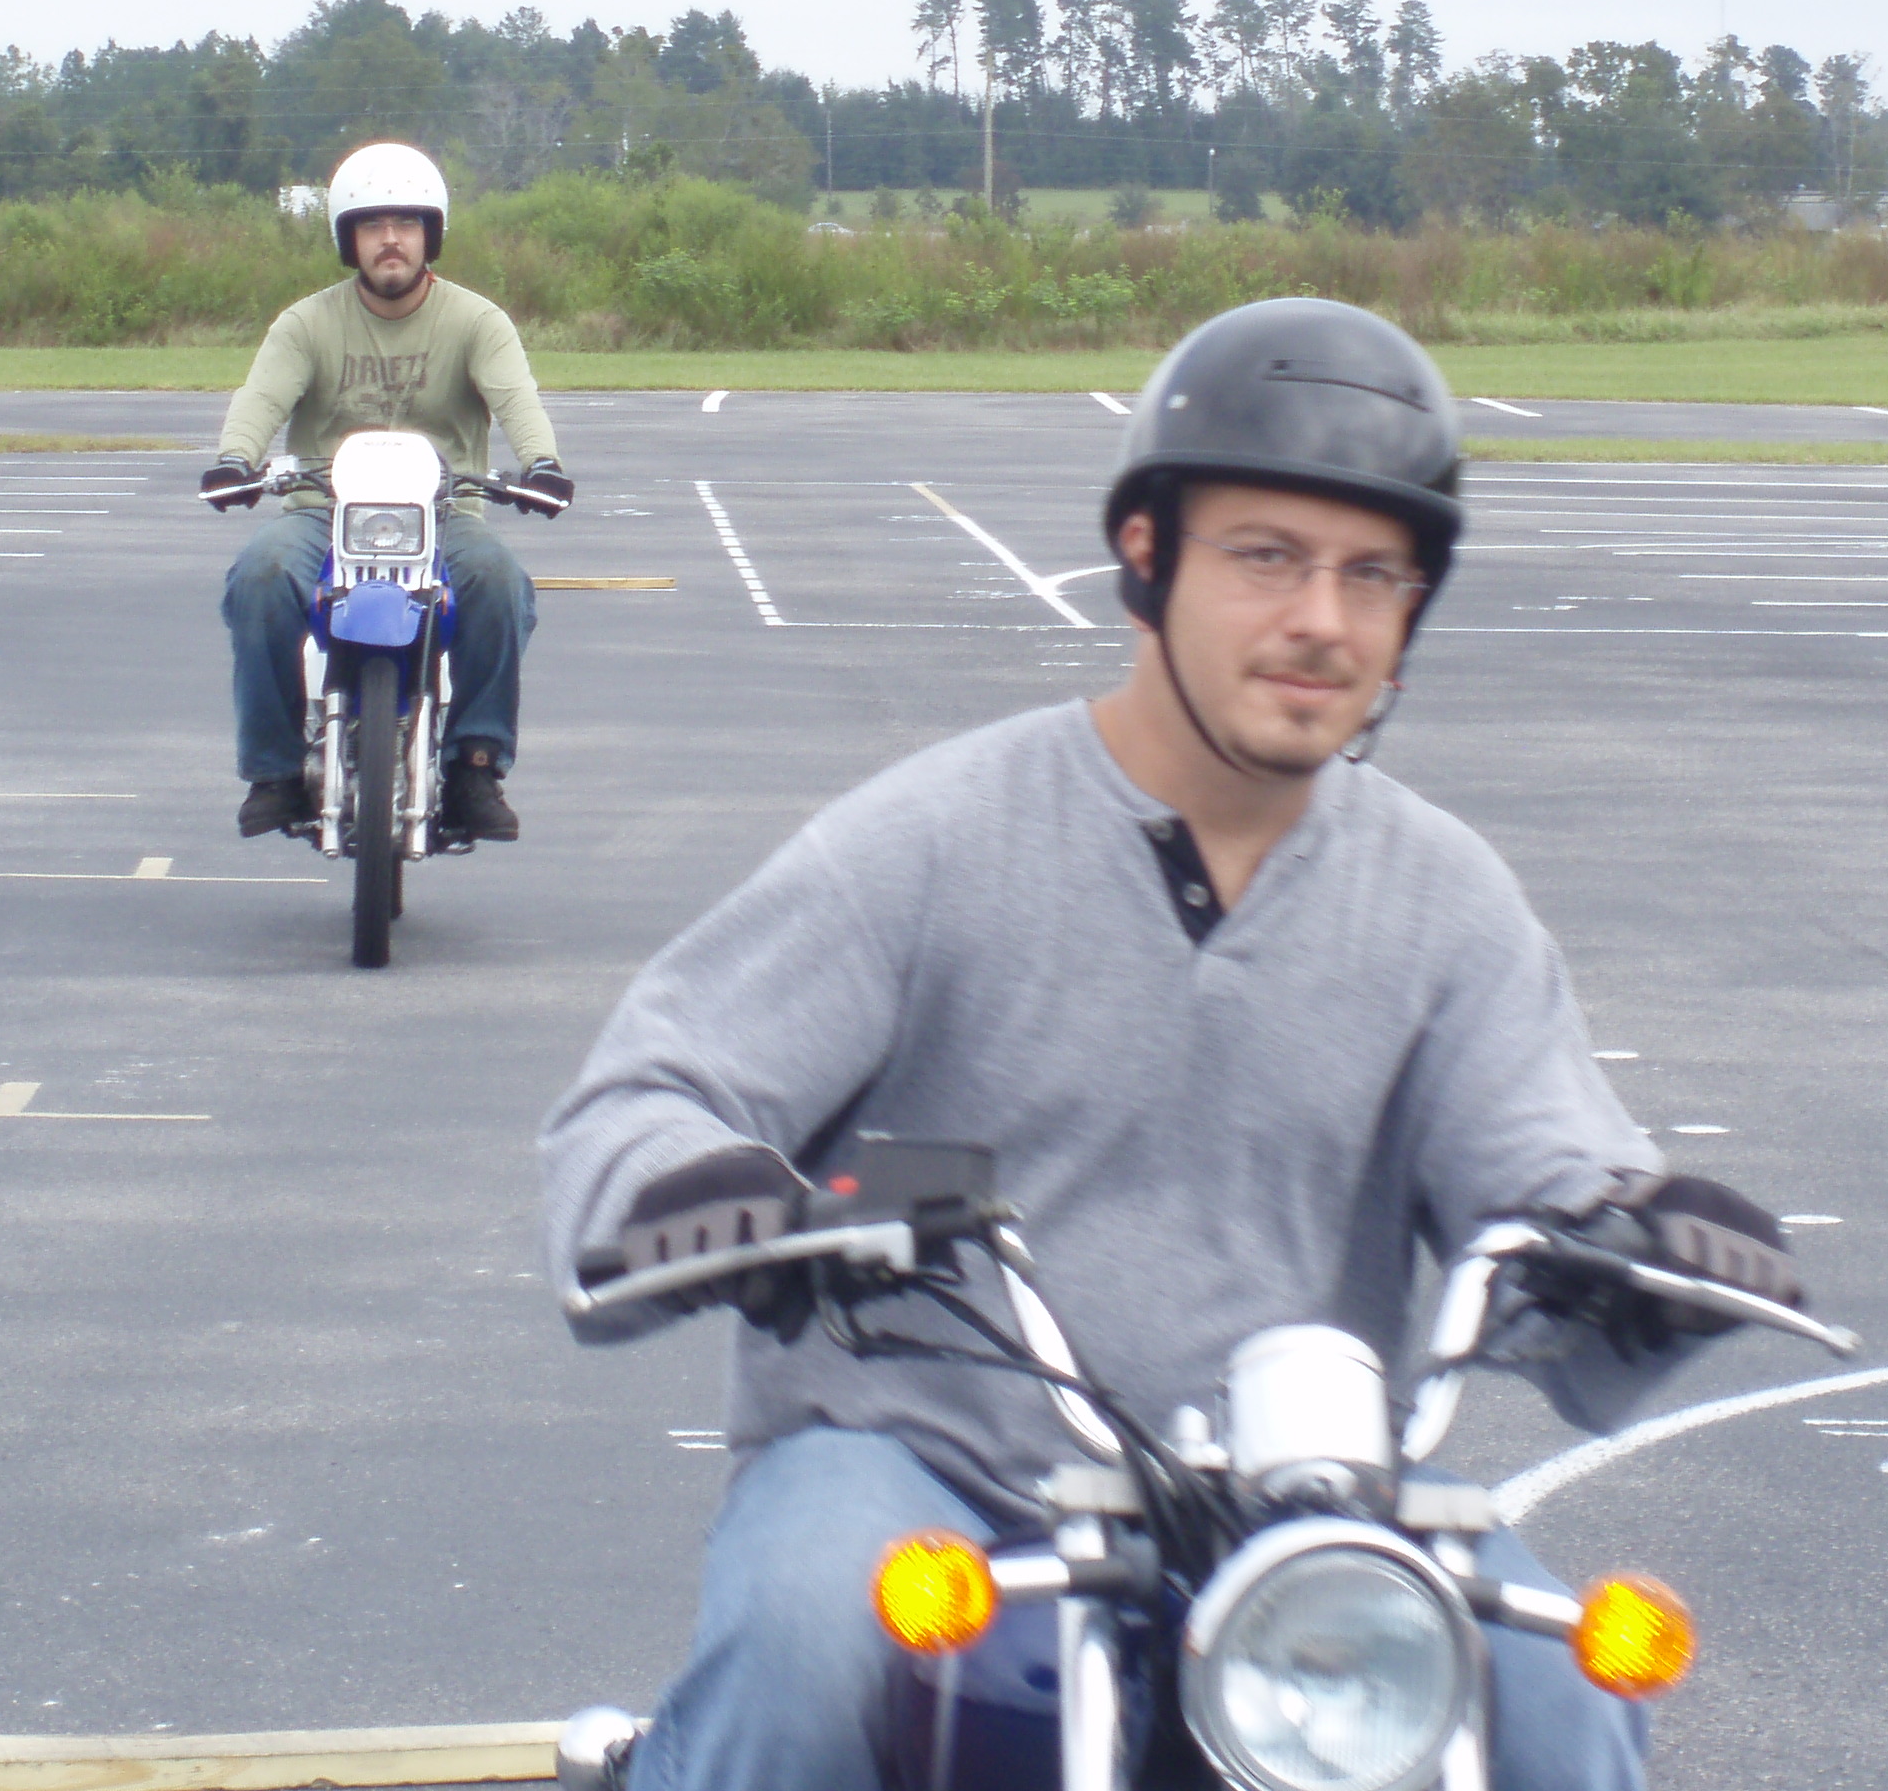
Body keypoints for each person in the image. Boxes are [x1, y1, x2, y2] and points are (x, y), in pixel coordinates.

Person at [538, 298, 1803, 1791]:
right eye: (1267, 556)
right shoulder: (936, 838)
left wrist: (1642, 1247)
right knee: (819, 1645)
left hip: (1301, 1500)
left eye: (1373, 574)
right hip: (928, 1471)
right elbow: (657, 1086)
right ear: (1145, 558)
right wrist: (695, 1188)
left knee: (1560, 1698)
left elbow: (1548, 1169)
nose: (1322, 621)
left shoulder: (1445, 901)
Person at [200, 141, 571, 842]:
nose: (391, 239)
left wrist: (542, 464)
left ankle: (476, 763)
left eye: (406, 223)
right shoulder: (306, 323)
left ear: (432, 235)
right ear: (349, 239)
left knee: (500, 584)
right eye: (373, 225)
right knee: (259, 575)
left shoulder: (476, 321)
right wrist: (235, 458)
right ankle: (273, 771)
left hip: (443, 515)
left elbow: (517, 399)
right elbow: (261, 396)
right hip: (324, 511)